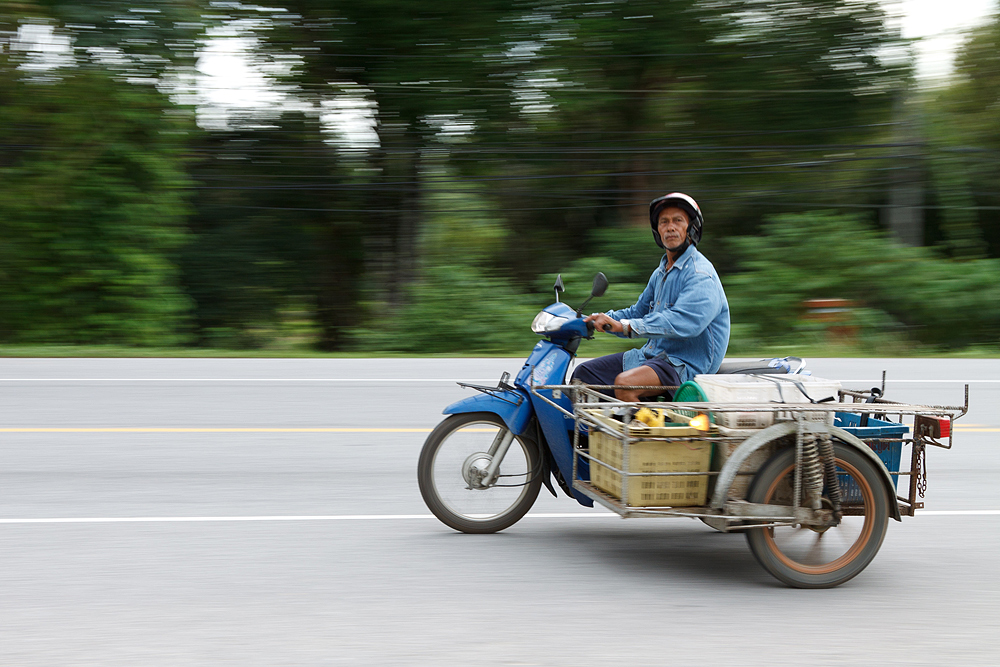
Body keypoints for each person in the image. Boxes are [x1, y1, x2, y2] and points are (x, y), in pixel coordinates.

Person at [575, 192, 730, 401]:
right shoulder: (661, 273)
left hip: (683, 365)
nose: (670, 227)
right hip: (652, 357)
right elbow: (637, 312)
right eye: (664, 222)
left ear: (691, 228)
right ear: (657, 230)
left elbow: (684, 321)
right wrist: (599, 319)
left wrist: (626, 326)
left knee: (625, 384)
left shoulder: (700, 274)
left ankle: (641, 432)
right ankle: (594, 432)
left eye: (678, 220)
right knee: (583, 377)